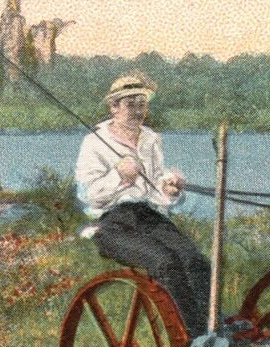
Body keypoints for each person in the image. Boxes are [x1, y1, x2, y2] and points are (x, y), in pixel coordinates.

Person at [75, 72, 211, 333]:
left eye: (142, 104)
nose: (138, 111)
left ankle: (209, 329)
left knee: (196, 261)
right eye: (130, 104)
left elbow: (155, 187)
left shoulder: (151, 139)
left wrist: (168, 188)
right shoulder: (94, 142)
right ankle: (193, 338)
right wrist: (118, 176)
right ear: (113, 107)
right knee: (166, 263)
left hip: (148, 217)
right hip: (111, 224)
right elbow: (88, 194)